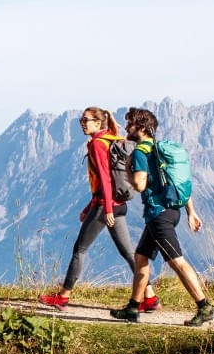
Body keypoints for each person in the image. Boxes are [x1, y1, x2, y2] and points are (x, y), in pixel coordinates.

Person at [40, 107, 159, 311]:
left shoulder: (96, 144)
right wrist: (90, 207)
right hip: (118, 204)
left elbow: (105, 177)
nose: (83, 124)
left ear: (98, 122)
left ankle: (63, 297)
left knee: (80, 250)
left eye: (87, 120)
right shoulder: (110, 138)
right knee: (129, 253)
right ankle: (149, 297)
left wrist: (107, 210)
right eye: (81, 120)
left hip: (105, 207)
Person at [110, 108, 214, 327]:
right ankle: (132, 307)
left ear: (140, 128)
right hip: (170, 211)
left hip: (158, 215)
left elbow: (139, 185)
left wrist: (128, 168)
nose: (126, 128)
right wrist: (190, 211)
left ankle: (204, 306)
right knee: (141, 257)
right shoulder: (158, 150)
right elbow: (177, 182)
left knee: (176, 261)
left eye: (130, 124)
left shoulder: (140, 152)